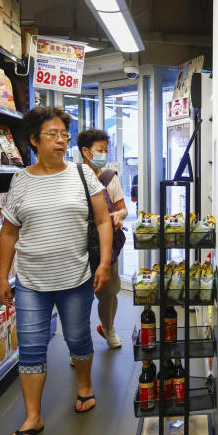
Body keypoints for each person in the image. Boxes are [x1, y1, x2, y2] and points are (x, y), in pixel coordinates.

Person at [0, 107, 113, 435]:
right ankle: (33, 417)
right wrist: (3, 277)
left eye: (64, 134)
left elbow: (104, 221)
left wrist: (104, 263)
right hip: (31, 281)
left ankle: (85, 387)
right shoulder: (20, 181)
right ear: (34, 140)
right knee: (31, 348)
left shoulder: (82, 174)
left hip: (75, 277)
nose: (61, 140)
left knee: (77, 338)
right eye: (53, 134)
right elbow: (8, 233)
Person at [77, 128, 128, 348]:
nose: (103, 155)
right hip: (79, 246)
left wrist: (119, 214)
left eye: (106, 150)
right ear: (86, 152)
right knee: (78, 297)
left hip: (108, 245)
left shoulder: (109, 178)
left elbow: (123, 208)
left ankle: (108, 327)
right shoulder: (73, 176)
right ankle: (78, 344)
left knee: (108, 292)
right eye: (100, 150)